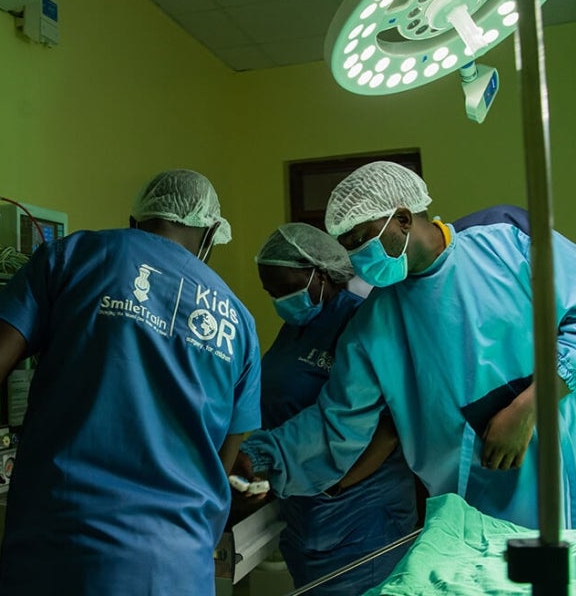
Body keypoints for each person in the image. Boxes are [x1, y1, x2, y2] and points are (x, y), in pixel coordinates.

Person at [0, 169, 262, 596]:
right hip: (176, 569)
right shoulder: (240, 324)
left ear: (135, 221)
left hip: (57, 556)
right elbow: (220, 466)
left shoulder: (72, 257)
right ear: (211, 232)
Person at [235, 161, 576, 532]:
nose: (354, 258)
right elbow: (337, 422)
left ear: (401, 219)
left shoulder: (506, 240)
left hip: (564, 464)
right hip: (472, 508)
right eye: (347, 246)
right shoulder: (375, 323)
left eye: (360, 240)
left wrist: (527, 408)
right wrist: (263, 455)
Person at [250, 223, 417, 595]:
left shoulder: (363, 320)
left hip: (361, 514)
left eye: (286, 287)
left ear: (320, 274)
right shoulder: (297, 326)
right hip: (304, 508)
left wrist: (336, 487)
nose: (279, 299)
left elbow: (391, 426)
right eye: (271, 291)